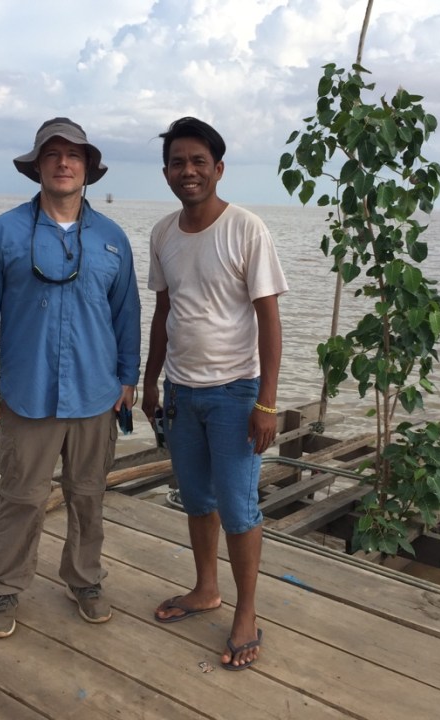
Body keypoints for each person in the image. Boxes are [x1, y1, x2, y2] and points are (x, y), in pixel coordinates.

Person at [0, 117, 140, 638]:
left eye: (74, 155)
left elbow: (127, 314)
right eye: (53, 154)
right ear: (37, 166)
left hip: (96, 394)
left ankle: (85, 579)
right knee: (21, 498)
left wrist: (129, 378)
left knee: (89, 496)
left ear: (87, 168)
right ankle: (5, 587)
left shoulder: (112, 239)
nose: (63, 163)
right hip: (27, 394)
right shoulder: (3, 232)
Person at [141, 117, 288, 670]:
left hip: (235, 392)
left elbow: (269, 320)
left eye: (199, 161)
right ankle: (206, 589)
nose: (188, 171)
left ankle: (246, 611)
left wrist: (267, 402)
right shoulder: (163, 234)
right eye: (178, 162)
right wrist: (150, 380)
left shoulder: (246, 229)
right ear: (166, 172)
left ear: (218, 169)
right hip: (181, 391)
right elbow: (164, 312)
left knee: (238, 507)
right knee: (197, 500)